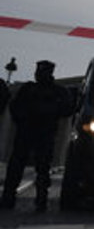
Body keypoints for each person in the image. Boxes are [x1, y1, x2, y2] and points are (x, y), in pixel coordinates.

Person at [1, 61, 74, 212]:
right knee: (19, 167)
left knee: (40, 169)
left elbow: (67, 109)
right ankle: (11, 198)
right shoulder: (29, 89)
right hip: (29, 131)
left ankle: (40, 200)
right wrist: (23, 119)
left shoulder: (56, 92)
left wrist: (50, 113)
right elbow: (15, 107)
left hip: (43, 133)